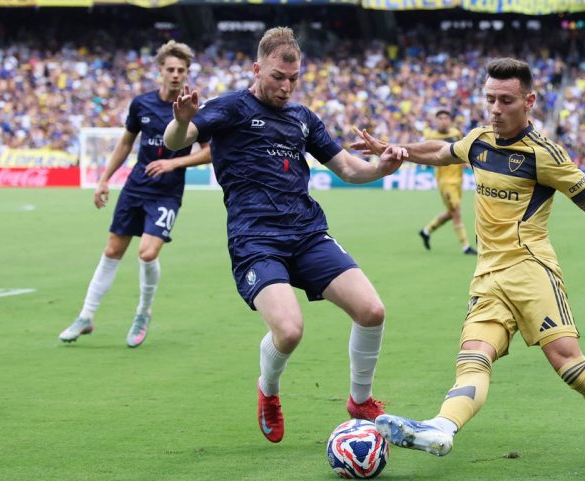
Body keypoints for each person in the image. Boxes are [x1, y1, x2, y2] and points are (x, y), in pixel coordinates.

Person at [354, 58, 585, 470]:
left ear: (529, 101)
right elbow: (441, 150)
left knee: (568, 363)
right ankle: (441, 427)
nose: (494, 108)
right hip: (487, 277)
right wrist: (394, 149)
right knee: (473, 358)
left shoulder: (545, 155)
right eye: (489, 99)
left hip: (531, 271)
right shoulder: (478, 140)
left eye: (505, 100)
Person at [163, 27, 407, 444]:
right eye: (278, 76)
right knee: (290, 331)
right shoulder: (230, 108)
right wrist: (182, 118)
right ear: (258, 69)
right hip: (255, 239)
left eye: (294, 78)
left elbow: (349, 169)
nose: (287, 86)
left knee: (372, 311)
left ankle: (360, 401)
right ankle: (269, 390)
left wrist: (382, 168)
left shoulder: (303, 118)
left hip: (307, 233)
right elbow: (177, 142)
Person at [59, 40, 211, 348]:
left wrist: (174, 163)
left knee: (147, 252)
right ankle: (86, 316)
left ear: (187, 73)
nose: (175, 74)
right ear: (159, 71)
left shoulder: (195, 108)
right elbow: (126, 144)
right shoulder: (141, 103)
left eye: (181, 70)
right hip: (135, 188)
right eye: (170, 69)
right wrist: (104, 179)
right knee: (113, 250)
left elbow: (211, 152)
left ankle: (143, 312)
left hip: (167, 194)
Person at [417, 109, 476, 255]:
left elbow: (461, 151)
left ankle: (426, 231)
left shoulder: (456, 133)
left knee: (451, 212)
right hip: (445, 181)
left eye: (446, 118)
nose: (443, 121)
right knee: (456, 212)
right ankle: (465, 246)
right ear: (436, 121)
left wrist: (467, 163)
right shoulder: (432, 137)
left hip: (458, 179)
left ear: (450, 120)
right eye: (440, 118)